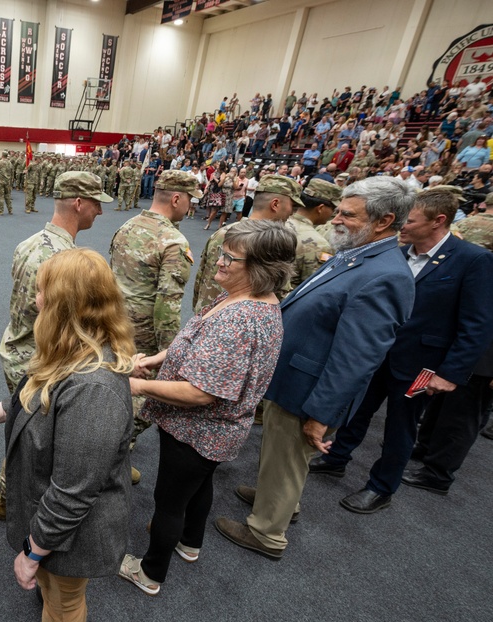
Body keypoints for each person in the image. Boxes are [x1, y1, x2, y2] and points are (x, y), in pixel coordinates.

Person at [216, 177, 417, 558]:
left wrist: (320, 415)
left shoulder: (387, 274)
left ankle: (266, 533)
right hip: (296, 377)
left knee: (290, 454)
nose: (335, 219)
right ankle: (279, 500)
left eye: (348, 214)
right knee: (283, 455)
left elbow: (357, 357)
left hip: (310, 392)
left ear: (384, 220)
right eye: (338, 210)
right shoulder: (358, 252)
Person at [0, 248, 135, 622]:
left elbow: (74, 492)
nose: (34, 299)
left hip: (73, 531)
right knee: (62, 594)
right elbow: (27, 398)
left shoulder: (94, 389)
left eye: (40, 292)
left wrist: (33, 552)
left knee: (64, 602)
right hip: (55, 519)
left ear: (61, 303)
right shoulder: (69, 351)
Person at [119, 219, 292, 594]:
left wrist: (137, 384)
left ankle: (149, 573)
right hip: (214, 434)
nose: (220, 262)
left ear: (260, 269)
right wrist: (158, 360)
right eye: (222, 253)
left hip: (197, 429)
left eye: (231, 258)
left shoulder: (240, 321)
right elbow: (192, 338)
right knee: (197, 488)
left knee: (168, 501)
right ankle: (190, 543)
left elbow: (202, 393)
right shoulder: (240, 298)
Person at [308, 186, 493, 511]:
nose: (401, 224)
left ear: (438, 221)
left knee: (400, 425)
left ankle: (381, 487)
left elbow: (477, 323)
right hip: (378, 352)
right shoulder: (397, 251)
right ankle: (336, 457)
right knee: (357, 410)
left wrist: (450, 373)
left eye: (410, 219)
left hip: (422, 365)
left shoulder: (473, 260)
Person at [0, 172, 112, 519]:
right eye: (96, 204)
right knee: (40, 447)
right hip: (43, 361)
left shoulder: (30, 242)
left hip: (18, 348)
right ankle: (16, 503)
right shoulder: (63, 261)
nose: (100, 213)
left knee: (22, 431)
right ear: (79, 203)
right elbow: (67, 327)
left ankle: (7, 495)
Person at [109, 170, 196, 469]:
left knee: (116, 380)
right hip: (144, 331)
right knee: (148, 395)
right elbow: (167, 305)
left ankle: (113, 446)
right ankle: (111, 451)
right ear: (176, 198)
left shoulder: (127, 225)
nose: (191, 207)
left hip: (113, 321)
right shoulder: (173, 240)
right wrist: (171, 352)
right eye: (189, 201)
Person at [193, 174, 303, 311]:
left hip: (207, 316)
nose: (292, 213)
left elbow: (201, 278)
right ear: (275, 204)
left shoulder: (222, 233)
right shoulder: (270, 243)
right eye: (293, 206)